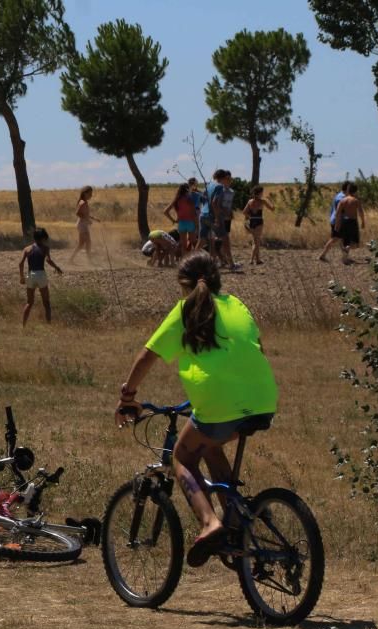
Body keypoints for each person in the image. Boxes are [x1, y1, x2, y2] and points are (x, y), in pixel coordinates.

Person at [115, 251, 277, 566]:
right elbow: (252, 350)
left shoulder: (185, 310)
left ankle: (209, 522)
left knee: (182, 455)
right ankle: (233, 520)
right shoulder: (237, 305)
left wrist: (128, 398)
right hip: (263, 400)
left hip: (218, 404)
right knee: (210, 445)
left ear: (183, 285)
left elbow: (147, 357)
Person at [19, 227, 63, 325]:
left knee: (29, 302)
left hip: (30, 275)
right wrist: (57, 268)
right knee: (46, 303)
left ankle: (23, 326)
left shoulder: (27, 249)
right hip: (41, 274)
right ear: (43, 238)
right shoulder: (45, 248)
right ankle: (49, 324)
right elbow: (48, 260)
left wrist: (21, 277)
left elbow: (20, 263)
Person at [332, 183, 366, 264]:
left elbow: (337, 213)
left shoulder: (343, 200)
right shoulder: (356, 200)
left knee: (346, 241)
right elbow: (361, 212)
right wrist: (363, 222)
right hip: (353, 221)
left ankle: (345, 259)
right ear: (355, 191)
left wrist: (337, 224)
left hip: (344, 222)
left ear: (348, 190)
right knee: (355, 243)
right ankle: (346, 251)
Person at [318, 181, 351, 262]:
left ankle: (345, 257)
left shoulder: (339, 195)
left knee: (342, 239)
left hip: (336, 220)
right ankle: (322, 255)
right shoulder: (342, 198)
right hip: (338, 221)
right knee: (335, 239)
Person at [241, 185, 273, 265]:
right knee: (257, 241)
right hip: (259, 221)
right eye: (262, 192)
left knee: (255, 240)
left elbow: (244, 212)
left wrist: (250, 217)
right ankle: (251, 260)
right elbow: (272, 208)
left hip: (252, 221)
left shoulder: (250, 201)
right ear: (260, 193)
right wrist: (270, 200)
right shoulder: (263, 201)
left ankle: (258, 259)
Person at [163, 184, 198, 254]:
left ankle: (184, 261)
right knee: (194, 244)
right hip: (190, 222)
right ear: (187, 190)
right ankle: (195, 260)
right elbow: (194, 213)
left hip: (181, 223)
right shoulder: (190, 199)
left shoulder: (176, 200)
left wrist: (173, 220)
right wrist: (197, 224)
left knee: (183, 245)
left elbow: (165, 211)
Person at [70, 186, 100, 263]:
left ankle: (71, 259)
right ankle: (89, 260)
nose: (91, 195)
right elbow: (78, 213)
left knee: (81, 245)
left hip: (83, 225)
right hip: (82, 225)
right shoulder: (82, 202)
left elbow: (85, 214)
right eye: (90, 193)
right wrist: (87, 220)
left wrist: (94, 218)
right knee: (88, 242)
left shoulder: (84, 202)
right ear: (85, 193)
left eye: (91, 193)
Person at [216, 171, 239, 271]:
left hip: (227, 218)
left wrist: (231, 213)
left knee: (224, 239)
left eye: (230, 179)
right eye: (227, 179)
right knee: (219, 240)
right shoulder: (219, 190)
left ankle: (223, 260)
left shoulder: (232, 192)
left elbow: (229, 204)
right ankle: (223, 260)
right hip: (219, 217)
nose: (229, 181)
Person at [199, 170, 225, 256]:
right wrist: (217, 218)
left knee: (203, 240)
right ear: (223, 177)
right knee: (224, 238)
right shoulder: (219, 186)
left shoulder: (208, 185)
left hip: (203, 214)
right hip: (211, 216)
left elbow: (202, 199)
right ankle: (229, 263)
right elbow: (214, 202)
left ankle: (191, 260)